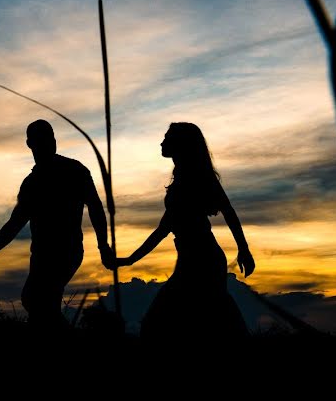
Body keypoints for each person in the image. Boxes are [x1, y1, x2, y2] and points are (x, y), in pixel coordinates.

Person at [106, 122, 255, 338]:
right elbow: (163, 229)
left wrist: (244, 249)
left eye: (167, 138)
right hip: (192, 259)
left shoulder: (198, 177)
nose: (162, 142)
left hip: (203, 260)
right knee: (209, 326)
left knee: (161, 325)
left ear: (181, 144)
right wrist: (128, 260)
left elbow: (228, 211)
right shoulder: (182, 181)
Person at [0, 119, 114, 331]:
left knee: (37, 301)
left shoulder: (75, 170)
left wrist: (103, 246)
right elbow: (14, 224)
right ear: (30, 144)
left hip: (67, 251)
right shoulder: (31, 184)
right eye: (43, 139)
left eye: (51, 138)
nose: (49, 143)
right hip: (40, 255)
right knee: (40, 305)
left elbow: (95, 207)